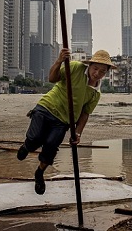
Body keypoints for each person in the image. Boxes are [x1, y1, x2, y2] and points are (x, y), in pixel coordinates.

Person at [16, 48, 116, 194]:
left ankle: (39, 173)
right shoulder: (75, 67)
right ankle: (27, 146)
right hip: (47, 107)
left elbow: (85, 113)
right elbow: (52, 78)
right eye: (95, 69)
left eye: (102, 72)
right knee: (34, 139)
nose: (97, 74)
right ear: (90, 65)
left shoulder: (96, 92)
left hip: (63, 121)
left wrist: (78, 133)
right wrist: (59, 61)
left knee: (50, 146)